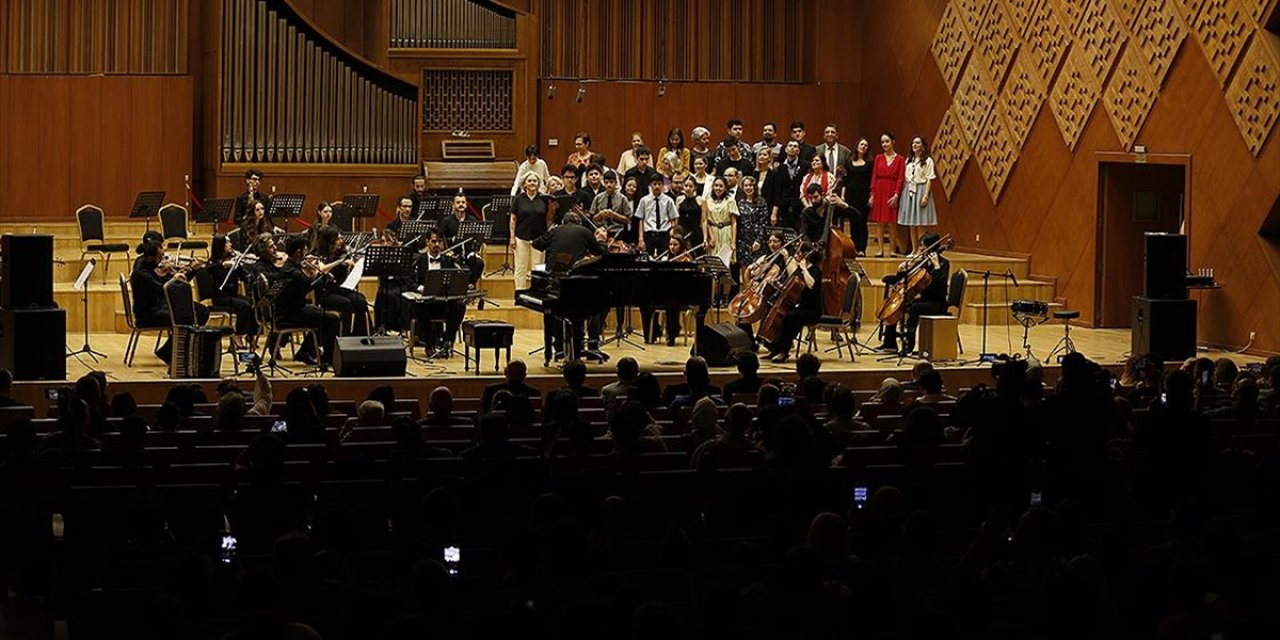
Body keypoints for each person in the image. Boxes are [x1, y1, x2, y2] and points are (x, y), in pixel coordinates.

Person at [531, 213, 609, 361]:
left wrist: (550, 231)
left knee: (555, 309)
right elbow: (599, 252)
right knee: (597, 304)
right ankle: (592, 345)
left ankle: (559, 346)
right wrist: (601, 240)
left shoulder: (555, 230)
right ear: (578, 222)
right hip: (576, 282)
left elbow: (536, 244)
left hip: (554, 281)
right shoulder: (584, 231)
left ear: (563, 222)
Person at [130, 241, 211, 364]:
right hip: (149, 314)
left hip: (160, 306)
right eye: (160, 256)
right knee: (190, 316)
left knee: (201, 311)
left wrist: (190, 271)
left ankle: (174, 350)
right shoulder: (141, 273)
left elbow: (169, 283)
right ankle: (172, 352)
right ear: (150, 257)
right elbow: (166, 289)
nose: (163, 259)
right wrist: (175, 277)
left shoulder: (147, 264)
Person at [269, 236, 340, 366]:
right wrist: (322, 277)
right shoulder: (291, 271)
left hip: (295, 309)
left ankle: (306, 351)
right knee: (331, 318)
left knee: (323, 314)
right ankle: (327, 357)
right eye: (304, 249)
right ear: (298, 252)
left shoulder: (292, 266)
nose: (306, 252)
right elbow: (309, 284)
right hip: (289, 314)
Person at [878, 231, 950, 356]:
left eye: (923, 246)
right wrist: (901, 271)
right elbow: (907, 279)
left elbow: (940, 288)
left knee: (913, 307)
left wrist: (936, 267)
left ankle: (908, 346)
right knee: (899, 304)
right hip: (923, 299)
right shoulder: (922, 262)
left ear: (931, 247)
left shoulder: (943, 264)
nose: (921, 248)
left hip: (937, 302)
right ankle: (890, 343)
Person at [412, 230, 468, 356]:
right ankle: (429, 344)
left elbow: (456, 279)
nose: (436, 244)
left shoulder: (448, 261)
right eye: (433, 241)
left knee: (460, 306)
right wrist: (420, 288)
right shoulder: (419, 260)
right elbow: (410, 282)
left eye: (439, 241)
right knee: (418, 307)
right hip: (427, 304)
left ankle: (447, 341)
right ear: (427, 242)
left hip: (444, 303)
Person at [765, 242, 823, 363]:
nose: (796, 255)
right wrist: (780, 286)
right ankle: (774, 348)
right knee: (784, 316)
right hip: (802, 307)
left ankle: (784, 352)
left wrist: (804, 269)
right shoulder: (800, 270)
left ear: (806, 255)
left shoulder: (815, 270)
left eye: (799, 253)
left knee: (790, 318)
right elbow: (794, 289)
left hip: (812, 310)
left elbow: (811, 284)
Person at [310, 226, 369, 337]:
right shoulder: (319, 255)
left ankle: (359, 334)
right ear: (330, 240)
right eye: (338, 239)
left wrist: (351, 268)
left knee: (360, 300)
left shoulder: (342, 253)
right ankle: (344, 337)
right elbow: (322, 269)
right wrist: (340, 262)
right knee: (346, 304)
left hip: (341, 289)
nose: (341, 241)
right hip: (326, 293)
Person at [510, 172, 550, 291]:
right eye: (529, 181)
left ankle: (537, 293)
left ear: (538, 184)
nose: (532, 183)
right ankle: (519, 293)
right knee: (520, 268)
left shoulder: (544, 199)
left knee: (538, 268)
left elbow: (548, 219)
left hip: (539, 239)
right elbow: (513, 219)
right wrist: (512, 237)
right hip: (521, 238)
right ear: (524, 183)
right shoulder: (518, 199)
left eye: (534, 181)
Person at [898, 136, 938, 254]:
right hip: (909, 190)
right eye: (913, 143)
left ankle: (922, 250)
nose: (914, 145)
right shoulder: (908, 161)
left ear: (923, 146)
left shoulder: (928, 161)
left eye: (917, 143)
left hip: (921, 190)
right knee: (912, 223)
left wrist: (925, 195)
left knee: (920, 223)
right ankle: (914, 249)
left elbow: (929, 179)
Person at [436, 191, 485, 286]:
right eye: (458, 202)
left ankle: (470, 284)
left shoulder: (472, 220)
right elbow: (441, 238)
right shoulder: (446, 221)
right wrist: (451, 243)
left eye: (463, 202)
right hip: (453, 253)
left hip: (468, 253)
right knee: (453, 266)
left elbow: (478, 238)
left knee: (478, 263)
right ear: (453, 205)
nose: (461, 205)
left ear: (466, 205)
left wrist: (474, 251)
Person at [869, 132, 906, 257]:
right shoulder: (878, 158)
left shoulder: (900, 159)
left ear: (893, 142)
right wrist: (872, 194)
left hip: (892, 190)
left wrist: (896, 194)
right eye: (882, 142)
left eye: (887, 141)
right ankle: (880, 249)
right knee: (879, 222)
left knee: (892, 222)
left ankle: (892, 249)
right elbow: (874, 177)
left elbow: (901, 178)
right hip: (880, 190)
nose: (884, 144)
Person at [840, 138, 873, 255]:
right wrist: (843, 196)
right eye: (861, 144)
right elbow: (845, 180)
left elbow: (872, 181)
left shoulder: (870, 163)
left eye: (866, 145)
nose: (863, 146)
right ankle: (854, 247)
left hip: (864, 196)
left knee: (862, 222)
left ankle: (862, 249)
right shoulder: (848, 161)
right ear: (857, 146)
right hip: (851, 195)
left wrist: (872, 196)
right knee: (853, 222)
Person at [634, 177, 679, 257]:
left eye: (659, 184)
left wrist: (672, 233)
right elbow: (641, 220)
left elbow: (674, 218)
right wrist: (641, 238)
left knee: (664, 259)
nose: (657, 186)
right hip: (649, 233)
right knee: (647, 258)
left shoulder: (668, 200)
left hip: (664, 234)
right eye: (654, 184)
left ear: (663, 185)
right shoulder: (644, 200)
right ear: (650, 185)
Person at [702, 177, 739, 269]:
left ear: (725, 188)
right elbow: (705, 221)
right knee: (713, 266)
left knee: (725, 266)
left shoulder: (730, 201)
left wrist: (733, 242)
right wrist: (706, 238)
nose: (718, 188)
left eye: (721, 186)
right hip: (713, 233)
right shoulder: (707, 201)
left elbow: (734, 222)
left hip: (726, 232)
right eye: (716, 185)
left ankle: (726, 283)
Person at [589, 170, 633, 245]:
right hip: (601, 232)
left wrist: (614, 215)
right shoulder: (598, 198)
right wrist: (600, 214)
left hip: (618, 232)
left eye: (611, 182)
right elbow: (593, 218)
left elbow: (627, 220)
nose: (609, 185)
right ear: (603, 183)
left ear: (616, 183)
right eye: (606, 182)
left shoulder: (622, 198)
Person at [773, 139, 806, 228]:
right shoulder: (779, 167)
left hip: (799, 207)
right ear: (786, 149)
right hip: (783, 207)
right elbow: (777, 189)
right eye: (790, 146)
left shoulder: (805, 166)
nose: (792, 148)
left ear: (798, 151)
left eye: (795, 146)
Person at [674, 176, 704, 248]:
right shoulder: (679, 199)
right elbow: (676, 218)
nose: (688, 188)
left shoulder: (701, 200)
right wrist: (675, 233)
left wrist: (705, 238)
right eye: (686, 186)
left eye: (691, 186)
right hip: (682, 231)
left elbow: (704, 221)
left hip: (696, 231)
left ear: (695, 187)